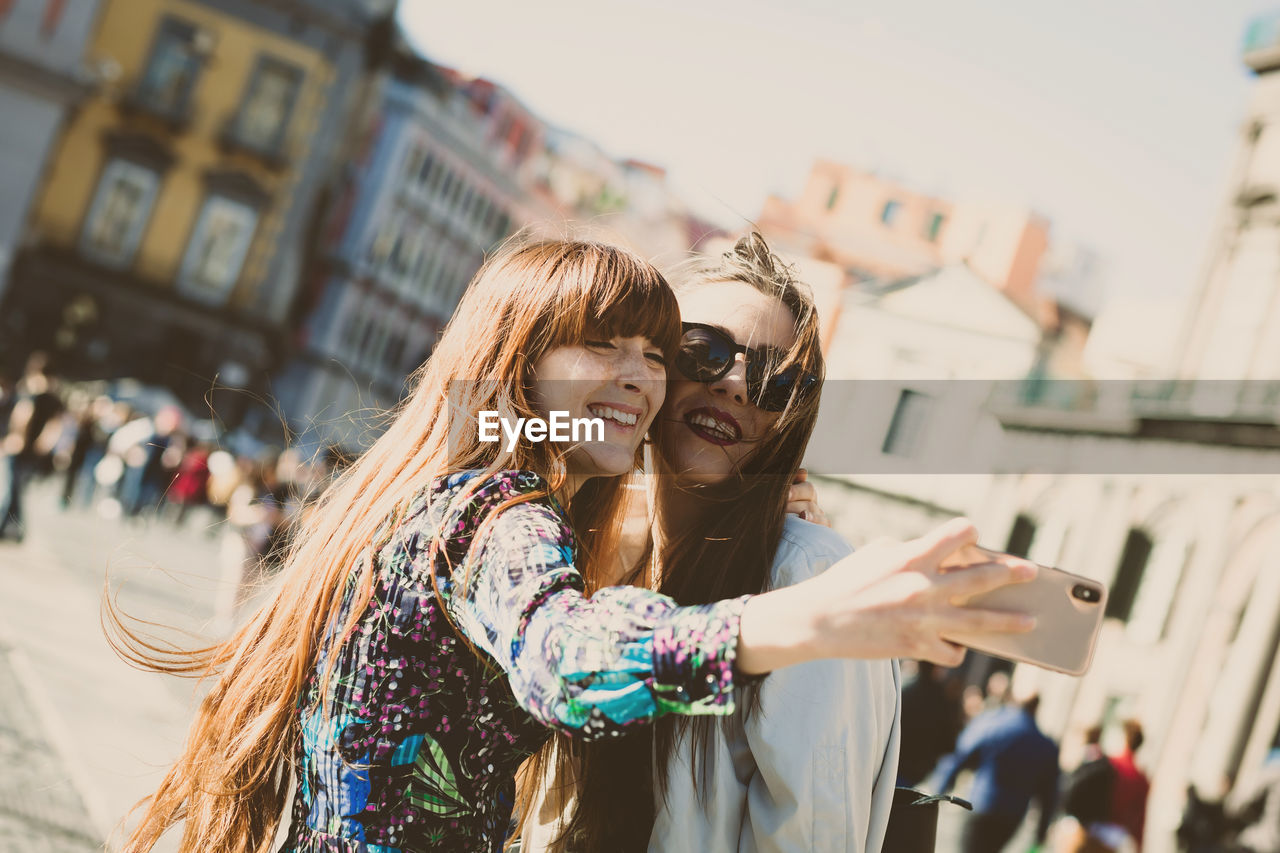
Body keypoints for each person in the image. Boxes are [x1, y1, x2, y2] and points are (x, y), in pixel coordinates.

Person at [110, 238, 1037, 853]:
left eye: (653, 352)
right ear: (519, 362)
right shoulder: (495, 512)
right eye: (697, 349)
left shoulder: (449, 492)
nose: (649, 378)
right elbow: (568, 658)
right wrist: (804, 620)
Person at [931, 687, 1061, 853]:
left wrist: (939, 789)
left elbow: (961, 755)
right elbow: (1049, 793)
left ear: (1014, 702)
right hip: (1012, 815)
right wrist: (1041, 831)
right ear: (1036, 708)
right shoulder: (1046, 746)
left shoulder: (993, 724)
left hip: (982, 803)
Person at [0, 352, 63, 542]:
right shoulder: (33, 393)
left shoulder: (35, 394)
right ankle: (13, 528)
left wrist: (19, 439)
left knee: (14, 488)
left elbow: (25, 418)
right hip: (21, 446)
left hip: (21, 446)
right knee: (14, 488)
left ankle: (12, 528)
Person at [1055, 724, 1123, 853]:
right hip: (1087, 822)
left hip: (1080, 823)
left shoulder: (1092, 760)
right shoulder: (1103, 763)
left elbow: (1073, 788)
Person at [899, 661, 964, 788]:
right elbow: (949, 743)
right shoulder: (943, 702)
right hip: (915, 770)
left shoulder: (906, 689)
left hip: (894, 761)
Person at [1108, 720, 1151, 851]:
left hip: (1098, 829)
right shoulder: (1141, 779)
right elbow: (1140, 818)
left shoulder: (1111, 765)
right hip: (1118, 837)